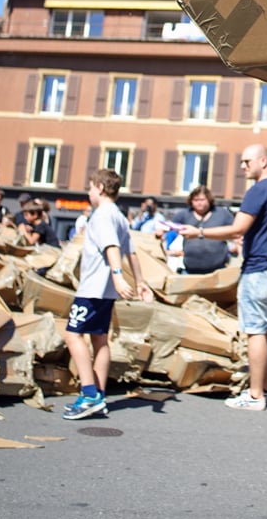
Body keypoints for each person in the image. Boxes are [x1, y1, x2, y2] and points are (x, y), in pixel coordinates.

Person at [191, 144, 267, 410]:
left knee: (255, 331)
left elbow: (238, 228)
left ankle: (255, 395)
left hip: (259, 270)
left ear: (263, 161)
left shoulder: (258, 190)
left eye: (247, 161)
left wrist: (198, 232)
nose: (242, 167)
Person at [63, 168, 153, 420]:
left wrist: (117, 275)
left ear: (101, 188)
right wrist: (140, 281)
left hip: (93, 287)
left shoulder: (102, 215)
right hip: (106, 291)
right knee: (100, 340)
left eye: (90, 188)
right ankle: (99, 396)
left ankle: (89, 394)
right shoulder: (120, 217)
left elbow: (112, 247)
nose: (89, 192)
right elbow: (131, 252)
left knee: (72, 336)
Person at [167, 185, 235, 274]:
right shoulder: (184, 214)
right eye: (196, 200)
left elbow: (235, 231)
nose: (199, 203)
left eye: (202, 200)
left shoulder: (222, 214)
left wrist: (236, 245)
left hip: (218, 269)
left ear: (209, 200)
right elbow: (168, 227)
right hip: (189, 269)